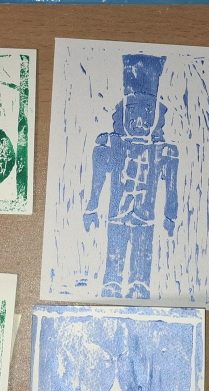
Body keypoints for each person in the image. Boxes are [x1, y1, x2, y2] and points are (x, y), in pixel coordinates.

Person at [83, 54, 178, 300]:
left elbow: (172, 188)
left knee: (141, 262)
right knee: (114, 258)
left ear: (157, 115)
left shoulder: (164, 151)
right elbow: (98, 178)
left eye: (147, 113)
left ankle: (139, 286)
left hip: (145, 217)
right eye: (132, 112)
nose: (139, 121)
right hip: (117, 214)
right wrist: (91, 207)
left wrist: (170, 215)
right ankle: (112, 284)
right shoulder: (111, 144)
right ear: (122, 113)